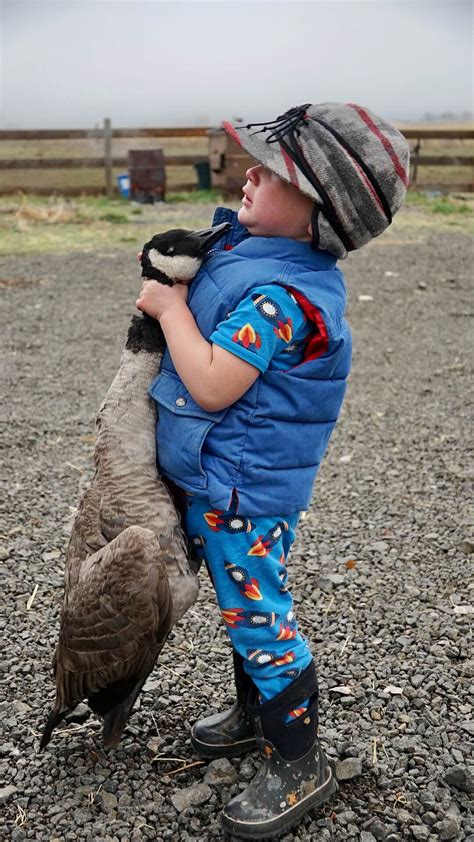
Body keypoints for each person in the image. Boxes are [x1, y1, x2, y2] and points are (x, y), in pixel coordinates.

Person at [136, 102, 410, 838]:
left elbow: (215, 381)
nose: (249, 172)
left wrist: (169, 310)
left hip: (243, 497)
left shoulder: (283, 298)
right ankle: (257, 715)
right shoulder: (265, 260)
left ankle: (298, 759)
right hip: (227, 486)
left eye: (275, 170)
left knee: (261, 617)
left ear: (318, 213)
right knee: (242, 607)